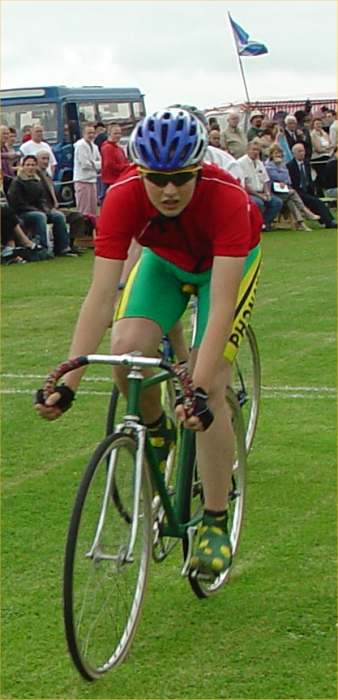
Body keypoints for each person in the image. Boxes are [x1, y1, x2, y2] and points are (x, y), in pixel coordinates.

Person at [35, 108, 263, 579]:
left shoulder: (228, 200)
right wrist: (69, 379)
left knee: (212, 386)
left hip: (220, 273)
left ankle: (216, 519)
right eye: (157, 179)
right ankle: (157, 428)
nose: (170, 190)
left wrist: (198, 389)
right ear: (141, 172)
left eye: (181, 177)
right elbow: (101, 295)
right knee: (127, 351)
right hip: (163, 264)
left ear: (199, 168)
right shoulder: (122, 197)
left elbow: (220, 305)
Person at [8, 155, 78, 254]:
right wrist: (37, 210)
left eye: (33, 165)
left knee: (58, 216)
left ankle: (63, 247)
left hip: (39, 210)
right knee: (40, 216)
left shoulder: (38, 181)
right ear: (22, 166)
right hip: (23, 212)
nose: (30, 167)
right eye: (28, 165)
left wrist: (47, 209)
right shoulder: (17, 182)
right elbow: (17, 204)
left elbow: (42, 199)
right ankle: (43, 249)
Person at [265, 144, 320, 230]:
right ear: (271, 154)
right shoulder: (268, 166)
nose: (278, 155)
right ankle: (306, 212)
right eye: (276, 153)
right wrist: (281, 174)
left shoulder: (282, 165)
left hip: (283, 192)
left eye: (280, 153)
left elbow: (288, 179)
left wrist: (282, 178)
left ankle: (301, 223)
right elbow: (278, 177)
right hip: (272, 193)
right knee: (293, 193)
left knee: (291, 201)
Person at [287, 143, 336, 229]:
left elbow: (309, 179)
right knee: (316, 202)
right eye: (299, 151)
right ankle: (329, 222)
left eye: (303, 151)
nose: (302, 153)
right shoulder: (290, 165)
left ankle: (325, 220)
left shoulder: (306, 163)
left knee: (316, 200)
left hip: (308, 190)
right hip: (297, 191)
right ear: (294, 153)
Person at [238, 140, 283, 230]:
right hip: (248, 194)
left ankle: (264, 223)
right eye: (253, 150)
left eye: (257, 150)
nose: (256, 152)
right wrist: (259, 195)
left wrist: (267, 193)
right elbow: (245, 185)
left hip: (261, 192)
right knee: (259, 203)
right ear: (247, 150)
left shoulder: (259, 163)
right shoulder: (241, 163)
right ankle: (256, 225)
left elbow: (265, 180)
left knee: (277, 202)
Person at [73, 124, 101, 217]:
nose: (91, 135)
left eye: (93, 133)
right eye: (89, 133)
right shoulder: (80, 146)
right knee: (84, 210)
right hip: (82, 180)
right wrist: (96, 164)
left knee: (93, 210)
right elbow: (84, 164)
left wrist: (94, 163)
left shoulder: (95, 146)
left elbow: (101, 162)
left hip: (92, 180)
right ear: (83, 134)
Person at [100, 122, 129, 199]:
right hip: (110, 182)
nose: (118, 136)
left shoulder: (119, 148)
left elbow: (125, 161)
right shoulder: (107, 148)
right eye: (115, 133)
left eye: (119, 133)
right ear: (109, 133)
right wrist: (126, 167)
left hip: (119, 180)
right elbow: (109, 165)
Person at [310, 115, 333, 195]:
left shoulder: (324, 133)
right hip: (318, 158)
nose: (319, 125)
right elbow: (318, 149)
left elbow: (331, 144)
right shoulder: (313, 134)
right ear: (313, 125)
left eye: (320, 124)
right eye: (317, 124)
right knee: (321, 177)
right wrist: (327, 148)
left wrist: (327, 148)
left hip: (327, 156)